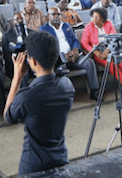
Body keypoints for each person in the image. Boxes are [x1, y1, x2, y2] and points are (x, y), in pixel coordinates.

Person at [4, 31, 75, 175]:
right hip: (60, 158)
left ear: (33, 61)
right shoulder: (67, 86)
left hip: (33, 165)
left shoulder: (27, 96)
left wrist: (17, 78)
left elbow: (8, 116)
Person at [78, 7, 122, 87]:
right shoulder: (89, 27)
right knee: (111, 64)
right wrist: (96, 52)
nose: (94, 19)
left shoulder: (108, 23)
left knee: (121, 62)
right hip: (98, 52)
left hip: (111, 49)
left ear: (103, 18)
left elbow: (114, 38)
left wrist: (107, 51)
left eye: (97, 17)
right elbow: (84, 43)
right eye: (93, 16)